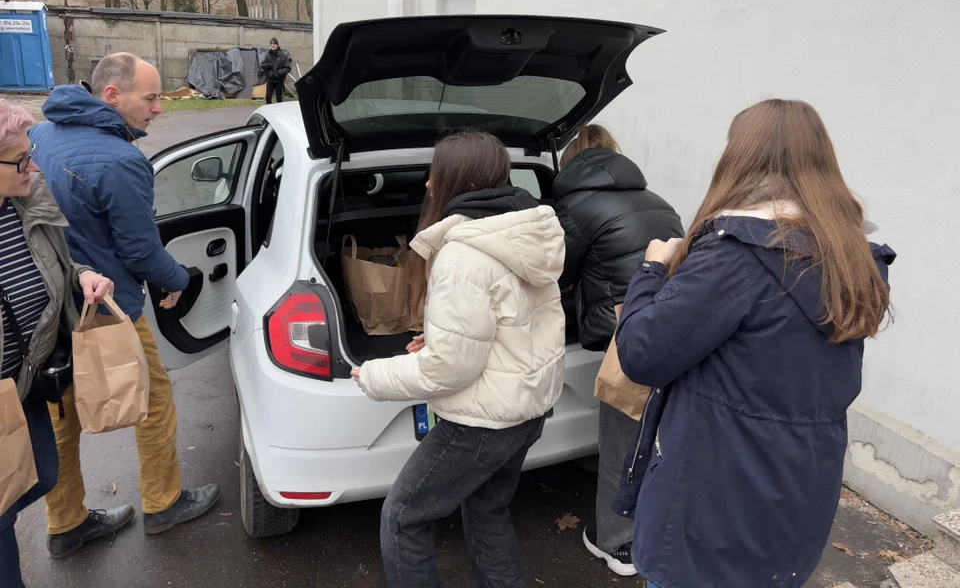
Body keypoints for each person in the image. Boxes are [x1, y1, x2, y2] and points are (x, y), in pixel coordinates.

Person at [613, 99, 895, 588]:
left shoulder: (736, 255)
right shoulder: (854, 257)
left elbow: (640, 354)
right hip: (798, 500)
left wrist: (653, 269)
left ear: (739, 158)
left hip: (708, 511)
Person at [352, 130, 566, 587]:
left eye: (435, 174)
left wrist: (372, 375)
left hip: (481, 424)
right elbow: (514, 323)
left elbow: (450, 369)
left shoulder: (463, 254)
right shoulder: (528, 232)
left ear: (454, 180)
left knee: (403, 518)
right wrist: (437, 338)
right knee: (487, 509)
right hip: (526, 409)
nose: (428, 184)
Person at [30, 53, 221, 558]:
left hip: (48, 309)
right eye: (151, 97)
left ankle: (65, 523)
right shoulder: (122, 160)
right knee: (153, 401)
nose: (159, 108)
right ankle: (164, 502)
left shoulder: (41, 137)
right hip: (106, 310)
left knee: (59, 416)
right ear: (112, 96)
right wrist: (180, 279)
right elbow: (139, 251)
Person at [553, 124, 682, 577]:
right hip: (671, 322)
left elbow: (554, 273)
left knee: (621, 439)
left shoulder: (575, 204)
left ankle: (617, 544)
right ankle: (651, 522)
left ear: (572, 162)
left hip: (625, 330)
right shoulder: (657, 201)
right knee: (652, 435)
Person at [0, 99, 113, 587]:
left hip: (22, 386)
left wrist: (84, 277)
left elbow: (60, 266)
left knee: (42, 474)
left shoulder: (27, 199)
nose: (34, 167)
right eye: (22, 160)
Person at [260, 38, 291, 104]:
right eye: (271, 44)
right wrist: (268, 66)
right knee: (268, 97)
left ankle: (279, 112)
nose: (273, 45)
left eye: (274, 44)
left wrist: (278, 73)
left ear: (277, 45)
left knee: (278, 98)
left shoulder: (283, 56)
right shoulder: (268, 55)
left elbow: (287, 68)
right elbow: (262, 65)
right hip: (270, 80)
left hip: (279, 80)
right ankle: (268, 110)